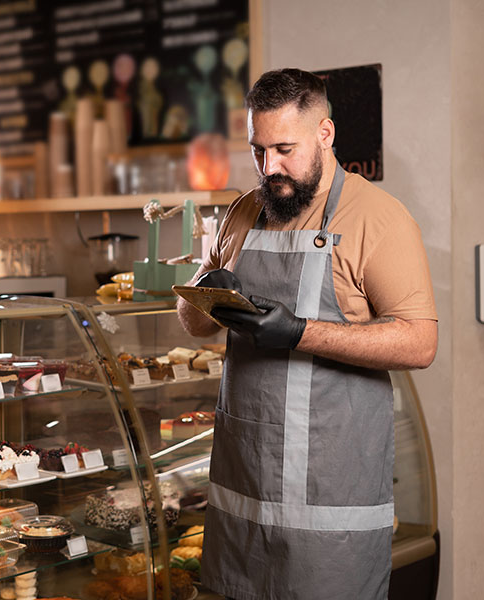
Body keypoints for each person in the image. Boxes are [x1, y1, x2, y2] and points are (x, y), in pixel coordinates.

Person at [177, 68, 438, 600]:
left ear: (326, 134)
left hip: (330, 497)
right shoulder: (244, 213)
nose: (269, 168)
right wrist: (209, 290)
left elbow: (419, 342)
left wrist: (298, 332)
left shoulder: (379, 219)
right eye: (257, 151)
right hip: (243, 492)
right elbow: (195, 323)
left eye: (284, 149)